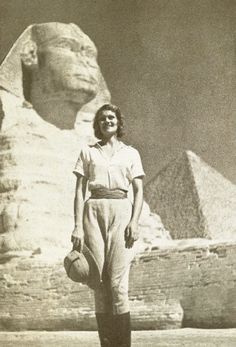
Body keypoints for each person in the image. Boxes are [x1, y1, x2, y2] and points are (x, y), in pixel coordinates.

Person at [71, 103, 145, 347]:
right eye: (102, 119)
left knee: (117, 284)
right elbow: (79, 191)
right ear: (97, 124)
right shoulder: (88, 152)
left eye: (111, 117)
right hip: (93, 212)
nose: (107, 121)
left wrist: (134, 221)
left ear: (118, 122)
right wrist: (77, 226)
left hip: (121, 211)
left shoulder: (131, 153)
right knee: (98, 284)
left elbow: (138, 190)